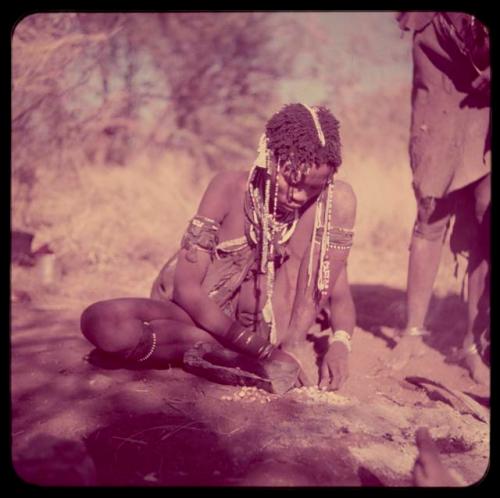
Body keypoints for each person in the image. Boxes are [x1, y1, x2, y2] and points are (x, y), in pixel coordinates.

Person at [80, 103, 357, 394]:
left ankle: (214, 352)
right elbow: (186, 289)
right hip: (209, 320)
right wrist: (262, 352)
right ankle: (226, 354)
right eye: (292, 180)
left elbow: (340, 298)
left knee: (344, 198)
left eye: (314, 187)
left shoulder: (324, 214)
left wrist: (341, 343)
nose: (300, 196)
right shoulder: (227, 187)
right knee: (102, 321)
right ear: (270, 157)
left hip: (268, 333)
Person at [389, 13, 490, 384]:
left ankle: (472, 345)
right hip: (440, 88)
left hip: (487, 100)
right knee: (430, 212)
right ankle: (413, 334)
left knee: (485, 218)